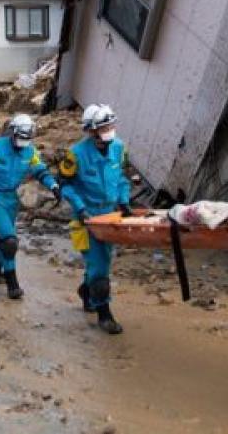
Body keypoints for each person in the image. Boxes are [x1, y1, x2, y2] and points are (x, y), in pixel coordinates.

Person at [0, 114, 60, 299]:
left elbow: (40, 170)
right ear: (12, 133)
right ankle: (12, 283)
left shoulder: (30, 151)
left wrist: (53, 185)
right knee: (10, 241)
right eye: (21, 138)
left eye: (28, 138)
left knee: (2, 237)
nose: (24, 142)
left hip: (11, 198)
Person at [59, 104, 131, 334]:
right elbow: (65, 186)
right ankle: (104, 314)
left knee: (104, 260)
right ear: (91, 131)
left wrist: (124, 201)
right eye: (104, 127)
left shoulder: (119, 148)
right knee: (99, 268)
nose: (110, 130)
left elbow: (121, 178)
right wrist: (80, 208)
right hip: (86, 219)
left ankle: (87, 291)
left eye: (111, 125)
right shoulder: (76, 155)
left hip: (111, 216)